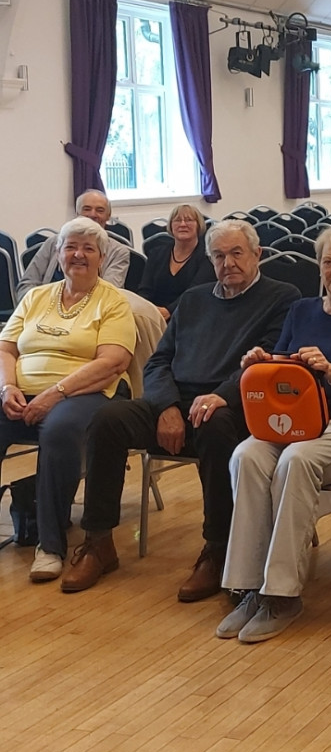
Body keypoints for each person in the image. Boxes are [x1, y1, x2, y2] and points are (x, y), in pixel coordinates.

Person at [63, 221, 298, 598]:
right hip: (176, 398)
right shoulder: (194, 299)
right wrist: (167, 407)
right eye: (219, 255)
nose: (228, 263)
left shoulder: (282, 297)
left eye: (237, 253)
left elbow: (268, 364)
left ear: (258, 255)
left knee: (216, 426)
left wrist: (219, 396)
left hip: (234, 403)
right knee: (107, 419)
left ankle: (218, 549)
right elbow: (158, 363)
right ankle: (99, 542)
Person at [218, 226, 331, 642]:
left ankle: (282, 593)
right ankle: (248, 586)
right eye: (328, 262)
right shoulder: (302, 310)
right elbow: (285, 370)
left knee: (296, 459)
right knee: (244, 456)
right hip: (298, 420)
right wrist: (262, 362)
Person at [0, 218, 136, 582]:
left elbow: (113, 362)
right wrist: (7, 386)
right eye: (70, 247)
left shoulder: (113, 302)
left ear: (101, 257)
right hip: (23, 392)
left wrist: (54, 393)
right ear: (58, 254)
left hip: (88, 392)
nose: (78, 254)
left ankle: (50, 545)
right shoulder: (36, 297)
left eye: (88, 248)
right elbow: (6, 347)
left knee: (58, 431)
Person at [16, 191, 130, 298]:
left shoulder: (118, 252)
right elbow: (26, 286)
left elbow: (109, 294)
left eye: (100, 210)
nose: (93, 214)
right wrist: (44, 306)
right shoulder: (53, 243)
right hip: (44, 312)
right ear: (77, 213)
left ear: (108, 216)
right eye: (87, 209)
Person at [138, 203, 215, 318]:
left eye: (189, 220)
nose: (183, 224)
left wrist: (168, 311)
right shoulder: (156, 253)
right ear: (171, 226)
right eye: (177, 220)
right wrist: (146, 311)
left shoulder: (207, 256)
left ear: (199, 225)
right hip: (154, 315)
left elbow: (194, 293)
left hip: (191, 314)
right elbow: (145, 289)